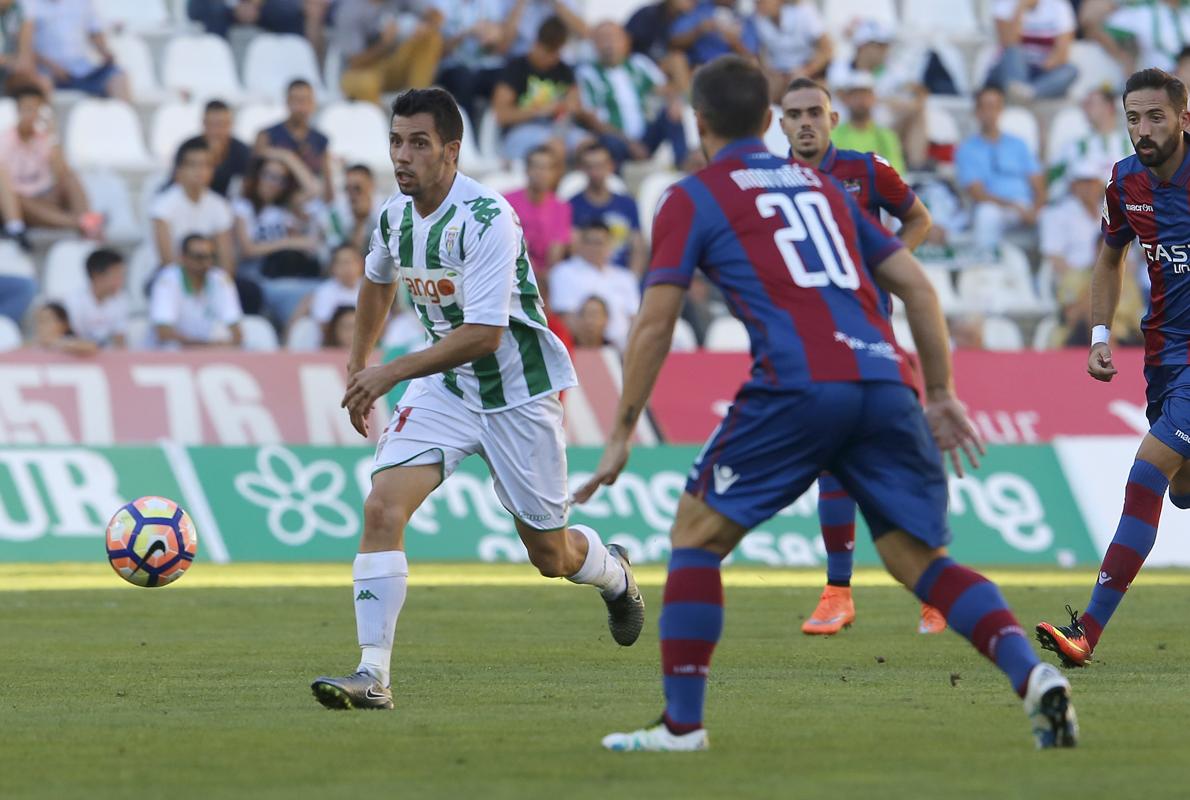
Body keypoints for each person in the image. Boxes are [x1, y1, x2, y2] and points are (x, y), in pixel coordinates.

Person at [577, 55, 1076, 752]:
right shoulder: (828, 191)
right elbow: (922, 291)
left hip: (798, 383)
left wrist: (622, 431)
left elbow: (656, 322)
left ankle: (682, 728)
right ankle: (1034, 680)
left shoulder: (693, 196)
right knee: (916, 561)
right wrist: (940, 395)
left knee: (695, 536)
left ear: (699, 124)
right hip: (883, 380)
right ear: (768, 121)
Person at [309, 88, 644, 711]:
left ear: (452, 151)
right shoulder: (393, 216)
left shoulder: (488, 218)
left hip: (518, 392)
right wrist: (359, 364)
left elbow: (485, 334)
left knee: (551, 554)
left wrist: (390, 372)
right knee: (382, 508)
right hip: (448, 386)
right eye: (395, 141)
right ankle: (372, 674)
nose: (402, 156)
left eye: (418, 143)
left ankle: (614, 570)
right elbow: (378, 280)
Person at [1036, 68, 1190, 669]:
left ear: (1183, 117)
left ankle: (1087, 633)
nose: (1143, 130)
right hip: (1164, 357)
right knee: (1181, 490)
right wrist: (1100, 334)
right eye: (1133, 118)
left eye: (1155, 117)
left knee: (1146, 474)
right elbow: (1109, 259)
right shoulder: (1125, 184)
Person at [780, 76, 941, 635]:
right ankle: (837, 593)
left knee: (897, 455)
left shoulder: (866, 170)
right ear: (781, 124)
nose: (805, 122)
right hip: (811, 340)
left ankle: (933, 590)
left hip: (871, 335)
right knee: (830, 458)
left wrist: (887, 268)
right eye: (794, 113)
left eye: (814, 112)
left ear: (832, 120)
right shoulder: (770, 181)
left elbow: (919, 218)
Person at [575, 21, 688, 169]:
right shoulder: (587, 74)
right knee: (607, 141)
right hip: (616, 139)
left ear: (625, 41)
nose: (609, 44)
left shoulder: (639, 64)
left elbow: (665, 90)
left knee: (672, 114)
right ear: (594, 44)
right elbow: (592, 119)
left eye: (614, 38)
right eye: (603, 39)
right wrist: (629, 143)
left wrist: (674, 102)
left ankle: (685, 165)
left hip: (646, 136)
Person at [0, 85, 102, 237]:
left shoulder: (45, 138)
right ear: (17, 111)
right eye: (27, 109)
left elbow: (61, 172)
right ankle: (82, 223)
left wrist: (52, 136)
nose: (31, 114)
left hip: (45, 197)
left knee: (70, 178)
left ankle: (85, 223)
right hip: (20, 204)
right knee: (16, 198)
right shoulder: (5, 140)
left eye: (36, 109)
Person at [956, 85, 1045, 253]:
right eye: (986, 107)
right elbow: (978, 193)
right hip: (996, 205)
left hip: (1026, 205)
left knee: (1054, 216)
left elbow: (1038, 183)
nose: (991, 113)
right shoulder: (967, 149)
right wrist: (1014, 206)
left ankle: (1054, 275)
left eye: (995, 107)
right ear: (977, 112)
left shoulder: (1019, 144)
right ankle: (985, 270)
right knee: (986, 214)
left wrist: (1036, 208)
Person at [491, 16, 587, 162]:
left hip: (558, 129)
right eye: (548, 51)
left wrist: (571, 106)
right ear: (536, 44)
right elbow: (501, 115)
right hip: (519, 132)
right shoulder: (516, 67)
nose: (552, 58)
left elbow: (575, 103)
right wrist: (540, 110)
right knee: (556, 147)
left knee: (588, 146)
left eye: (557, 52)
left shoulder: (563, 70)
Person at [549, 219, 640, 350]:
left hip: (623, 352)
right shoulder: (563, 272)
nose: (595, 248)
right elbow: (565, 319)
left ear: (610, 245)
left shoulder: (626, 278)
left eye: (600, 243)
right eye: (589, 242)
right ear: (580, 244)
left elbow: (634, 319)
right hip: (581, 349)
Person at [335, 0, 444, 105]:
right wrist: (385, 43)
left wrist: (426, 26)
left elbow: (437, 15)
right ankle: (380, 120)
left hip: (394, 64)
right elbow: (354, 62)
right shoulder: (350, 10)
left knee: (431, 39)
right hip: (363, 70)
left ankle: (418, 103)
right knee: (366, 83)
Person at [149, 234, 244, 349]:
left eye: (211, 256)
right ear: (183, 257)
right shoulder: (167, 280)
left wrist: (214, 348)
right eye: (199, 257)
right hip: (170, 358)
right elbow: (163, 333)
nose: (206, 262)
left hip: (207, 354)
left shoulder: (220, 280)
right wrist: (207, 347)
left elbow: (237, 333)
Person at [432, 0, 515, 128]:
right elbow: (437, 50)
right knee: (464, 80)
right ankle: (465, 133)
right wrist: (467, 33)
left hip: (486, 65)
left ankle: (505, 131)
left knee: (508, 78)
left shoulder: (492, 4)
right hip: (454, 65)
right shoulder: (441, 5)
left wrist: (493, 39)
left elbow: (501, 48)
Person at [24, 0, 130, 100]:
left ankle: (123, 118)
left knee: (118, 77)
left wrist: (105, 52)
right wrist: (51, 66)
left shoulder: (83, 2)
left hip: (83, 70)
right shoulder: (28, 4)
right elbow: (24, 47)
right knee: (40, 84)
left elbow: (94, 32)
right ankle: (48, 119)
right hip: (47, 73)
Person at [568, 142, 645, 272]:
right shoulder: (572, 205)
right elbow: (574, 249)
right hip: (585, 276)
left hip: (621, 278)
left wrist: (632, 280)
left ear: (611, 166)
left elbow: (638, 248)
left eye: (600, 165)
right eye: (590, 166)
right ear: (582, 169)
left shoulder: (627, 204)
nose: (595, 172)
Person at [255, 79, 333, 202]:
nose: (301, 107)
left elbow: (328, 189)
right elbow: (253, 177)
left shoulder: (320, 140)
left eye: (306, 101)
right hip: (273, 204)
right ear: (287, 102)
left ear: (313, 103)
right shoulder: (267, 135)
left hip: (307, 204)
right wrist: (286, 156)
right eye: (297, 100)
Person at [1047, 87, 1133, 196]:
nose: (1085, 108)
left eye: (1091, 103)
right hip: (1079, 205)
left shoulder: (1131, 143)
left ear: (1110, 107)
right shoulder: (1074, 145)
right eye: (1084, 104)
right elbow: (1052, 180)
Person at [988, 0, 1078, 102]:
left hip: (1042, 69)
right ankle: (1028, 90)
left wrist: (1041, 68)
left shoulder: (1059, 6)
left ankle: (1030, 92)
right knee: (1014, 52)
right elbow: (1009, 43)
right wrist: (1020, 9)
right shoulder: (1004, 5)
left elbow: (1062, 54)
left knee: (1071, 70)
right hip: (1011, 70)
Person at [504, 145, 571, 273]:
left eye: (547, 168)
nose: (541, 173)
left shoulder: (561, 208)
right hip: (513, 268)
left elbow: (556, 253)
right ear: (527, 170)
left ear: (555, 174)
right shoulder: (507, 201)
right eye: (537, 167)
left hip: (546, 275)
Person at [830, 70, 907, 175]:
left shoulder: (886, 136)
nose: (861, 100)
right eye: (856, 95)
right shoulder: (834, 135)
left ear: (874, 99)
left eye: (865, 95)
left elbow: (896, 172)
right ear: (846, 99)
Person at [753, 0, 831, 99]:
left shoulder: (803, 12)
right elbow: (758, 54)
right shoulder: (757, 19)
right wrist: (770, 74)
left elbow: (827, 49)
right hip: (778, 75)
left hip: (810, 71)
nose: (758, 4)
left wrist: (806, 70)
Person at [177, 100, 252, 199]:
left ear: (231, 124)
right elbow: (178, 181)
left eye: (222, 124)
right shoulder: (189, 148)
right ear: (203, 123)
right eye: (212, 124)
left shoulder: (243, 152)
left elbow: (247, 188)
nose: (217, 131)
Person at [59, 247, 127, 348]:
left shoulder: (121, 301)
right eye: (116, 276)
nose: (121, 281)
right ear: (97, 275)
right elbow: (69, 339)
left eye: (122, 276)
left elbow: (120, 342)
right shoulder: (74, 302)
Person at [290, 243, 365, 333]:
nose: (348, 268)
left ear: (361, 264)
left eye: (352, 262)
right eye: (342, 263)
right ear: (333, 267)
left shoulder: (370, 288)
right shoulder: (324, 292)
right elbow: (324, 326)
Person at [668, 0, 759, 69]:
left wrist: (734, 42)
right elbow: (673, 43)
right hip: (697, 65)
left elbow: (750, 57)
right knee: (677, 59)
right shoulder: (698, 10)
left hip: (729, 69)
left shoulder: (743, 19)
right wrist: (699, 30)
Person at [327, 164, 379, 252]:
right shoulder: (336, 214)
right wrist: (359, 223)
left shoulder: (387, 212)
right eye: (347, 189)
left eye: (357, 188)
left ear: (371, 185)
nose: (351, 194)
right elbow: (346, 255)